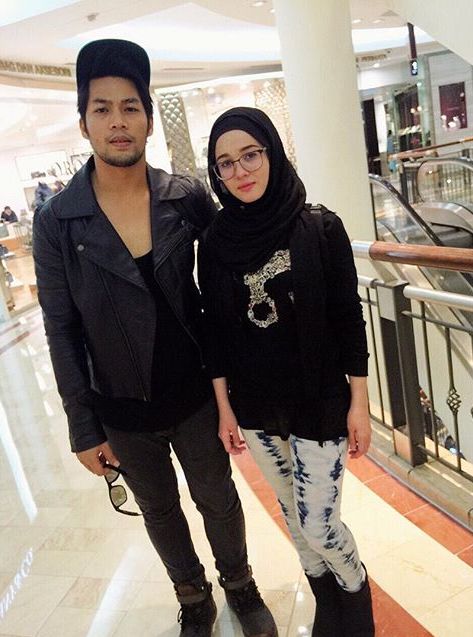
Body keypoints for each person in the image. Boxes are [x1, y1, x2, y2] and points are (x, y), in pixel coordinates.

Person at [33, 40, 276, 637]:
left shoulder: (183, 196)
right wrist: (82, 426)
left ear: (147, 118)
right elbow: (61, 327)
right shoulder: (58, 220)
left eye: (130, 107)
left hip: (194, 394)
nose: (117, 121)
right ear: (84, 121)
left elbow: (228, 276)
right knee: (160, 511)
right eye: (102, 108)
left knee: (217, 499)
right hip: (119, 405)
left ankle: (240, 584)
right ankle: (193, 597)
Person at [198, 107, 375, 637]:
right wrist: (225, 407)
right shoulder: (215, 243)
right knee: (295, 520)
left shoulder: (320, 227)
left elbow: (348, 318)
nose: (240, 171)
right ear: (216, 173)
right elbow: (215, 331)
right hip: (255, 406)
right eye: (225, 163)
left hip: (318, 400)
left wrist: (360, 402)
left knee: (319, 523)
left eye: (250, 155)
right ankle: (328, 607)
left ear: (272, 152)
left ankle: (356, 602)